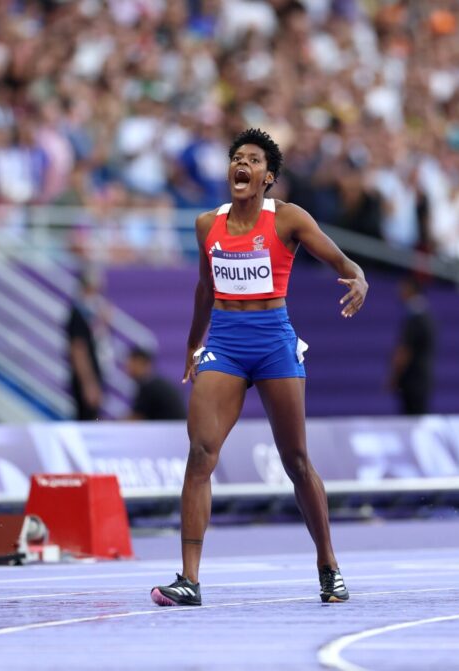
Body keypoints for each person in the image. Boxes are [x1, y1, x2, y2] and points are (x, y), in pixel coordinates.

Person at [150, 128, 367, 607]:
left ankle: (328, 564)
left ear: (268, 176)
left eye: (251, 159)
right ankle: (189, 579)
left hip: (273, 344)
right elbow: (205, 288)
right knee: (200, 454)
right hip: (224, 345)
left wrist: (359, 277)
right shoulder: (208, 224)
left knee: (296, 461)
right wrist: (192, 344)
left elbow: (341, 260)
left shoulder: (288, 218)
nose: (240, 165)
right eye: (235, 158)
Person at [388, 275, 435, 415]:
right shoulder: (425, 316)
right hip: (421, 380)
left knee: (413, 419)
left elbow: (405, 351)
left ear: (412, 289)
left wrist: (394, 376)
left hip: (413, 382)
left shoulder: (416, 318)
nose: (399, 291)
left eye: (403, 287)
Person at [67, 268, 107, 421]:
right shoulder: (78, 314)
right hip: (86, 380)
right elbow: (78, 351)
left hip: (93, 376)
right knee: (87, 419)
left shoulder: (89, 314)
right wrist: (89, 384)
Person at [125, 345, 186, 421]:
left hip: (171, 429)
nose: (128, 367)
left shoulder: (149, 387)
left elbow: (136, 419)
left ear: (144, 364)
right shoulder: (154, 383)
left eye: (132, 362)